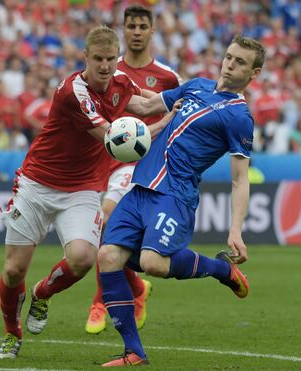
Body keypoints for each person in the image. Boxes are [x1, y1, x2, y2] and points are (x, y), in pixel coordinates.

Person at [0, 25, 180, 359]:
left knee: (81, 259)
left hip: (81, 188)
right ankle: (12, 332)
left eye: (111, 58)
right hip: (37, 184)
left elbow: (138, 104)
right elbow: (115, 140)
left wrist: (177, 102)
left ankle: (42, 294)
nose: (106, 66)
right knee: (12, 270)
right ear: (86, 57)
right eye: (99, 59)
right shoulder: (72, 92)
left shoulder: (121, 82)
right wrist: (164, 124)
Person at [97, 34, 266, 366]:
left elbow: (239, 178)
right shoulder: (196, 86)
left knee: (152, 264)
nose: (231, 63)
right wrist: (102, 86)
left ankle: (221, 270)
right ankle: (134, 352)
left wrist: (235, 230)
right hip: (141, 186)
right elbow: (145, 104)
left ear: (254, 73)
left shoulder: (239, 117)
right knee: (106, 256)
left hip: (174, 195)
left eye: (241, 61)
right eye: (230, 56)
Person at [85, 4, 182, 335]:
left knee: (110, 222)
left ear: (152, 30)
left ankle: (103, 300)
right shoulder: (109, 70)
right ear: (124, 30)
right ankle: (135, 290)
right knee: (105, 227)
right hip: (111, 162)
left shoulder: (169, 77)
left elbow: (177, 119)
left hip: (148, 166)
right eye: (132, 26)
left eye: (143, 26)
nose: (137, 31)